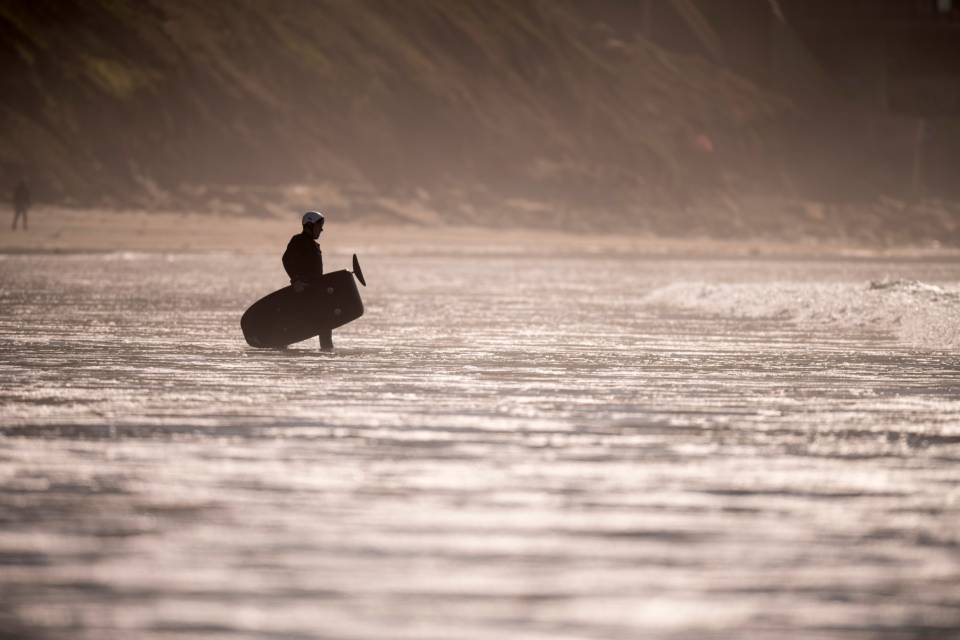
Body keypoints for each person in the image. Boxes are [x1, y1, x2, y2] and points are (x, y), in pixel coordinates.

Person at [282, 211, 333, 350]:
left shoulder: (314, 245)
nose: (322, 229)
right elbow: (286, 259)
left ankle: (327, 354)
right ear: (309, 225)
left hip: (315, 291)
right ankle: (281, 348)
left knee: (325, 324)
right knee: (303, 323)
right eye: (319, 226)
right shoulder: (298, 240)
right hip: (302, 291)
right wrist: (296, 280)